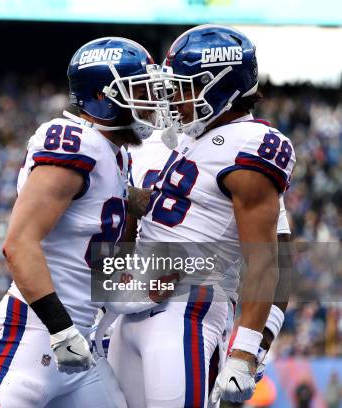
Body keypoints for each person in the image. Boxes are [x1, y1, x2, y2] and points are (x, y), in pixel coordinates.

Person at [0, 37, 170, 408]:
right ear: (103, 96)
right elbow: (18, 243)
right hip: (33, 336)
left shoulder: (115, 155)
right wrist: (60, 328)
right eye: (140, 91)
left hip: (82, 345)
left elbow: (103, 256)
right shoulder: (74, 141)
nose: (150, 103)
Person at [106, 24, 296, 407]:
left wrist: (246, 352)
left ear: (221, 85)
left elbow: (271, 260)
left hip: (186, 310)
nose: (173, 98)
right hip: (128, 312)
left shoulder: (252, 144)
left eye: (185, 86)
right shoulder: (177, 141)